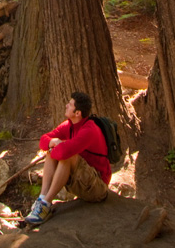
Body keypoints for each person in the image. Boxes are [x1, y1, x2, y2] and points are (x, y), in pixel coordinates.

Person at [24, 91, 111, 226]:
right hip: (82, 182)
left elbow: (63, 153)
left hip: (97, 187)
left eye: (70, 105)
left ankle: (46, 204)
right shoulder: (68, 125)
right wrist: (53, 142)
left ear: (77, 113)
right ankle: (42, 199)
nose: (66, 106)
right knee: (51, 151)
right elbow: (43, 141)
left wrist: (56, 146)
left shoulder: (89, 130)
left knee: (66, 156)